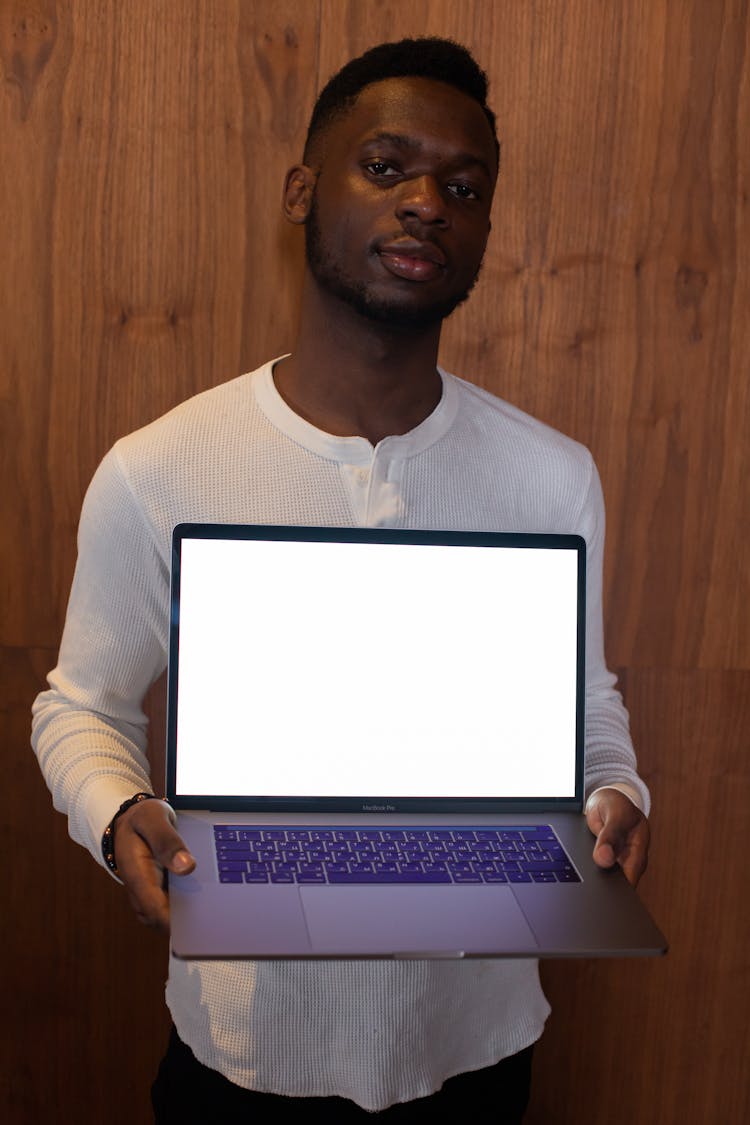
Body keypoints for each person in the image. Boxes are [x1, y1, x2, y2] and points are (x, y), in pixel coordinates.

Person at [32, 37, 651, 1124]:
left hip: (479, 1050)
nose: (426, 203)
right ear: (303, 190)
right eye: (385, 167)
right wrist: (118, 804)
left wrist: (615, 795)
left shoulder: (552, 478)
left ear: (484, 232)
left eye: (462, 187)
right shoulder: (161, 467)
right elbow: (80, 703)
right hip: (246, 1057)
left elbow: (587, 710)